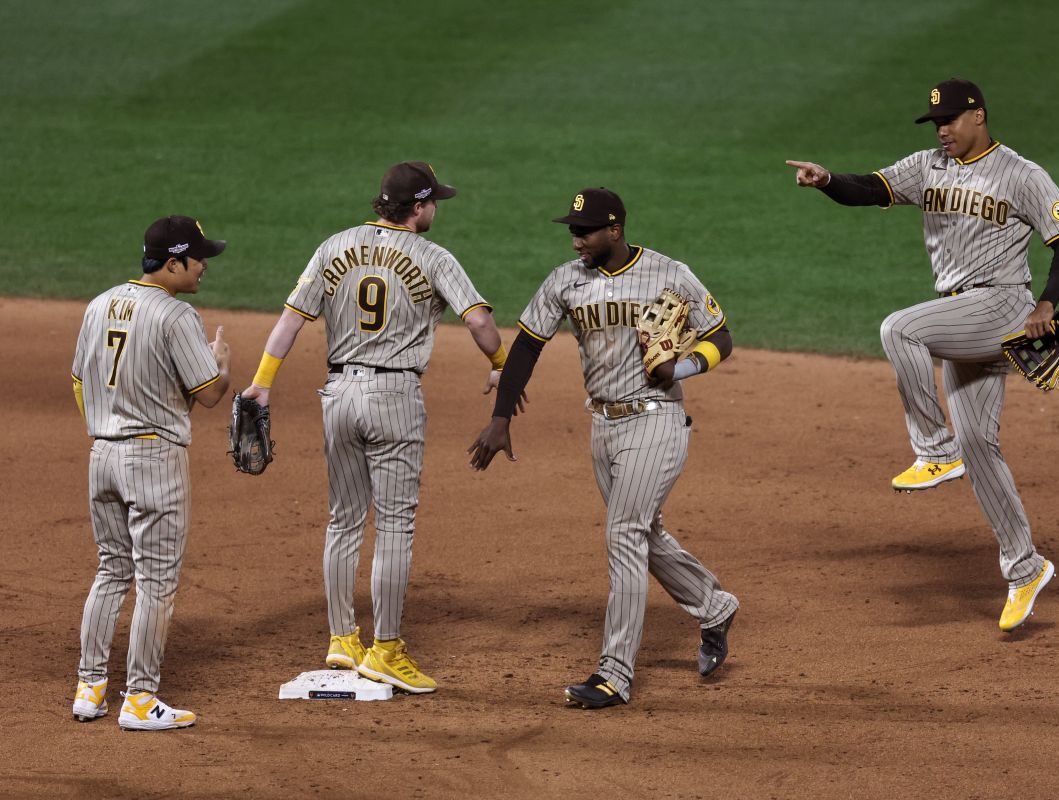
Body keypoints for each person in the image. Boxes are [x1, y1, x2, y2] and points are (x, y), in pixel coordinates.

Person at [787, 77, 1059, 631]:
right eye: (936, 124)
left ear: (980, 116)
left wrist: (1047, 302)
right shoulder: (930, 166)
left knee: (900, 329)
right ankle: (1026, 568)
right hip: (962, 317)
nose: (943, 131)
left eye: (950, 120)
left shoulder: (1022, 174)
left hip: (1002, 306)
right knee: (981, 445)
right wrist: (827, 179)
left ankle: (933, 447)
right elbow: (871, 188)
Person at [241, 161, 511, 694]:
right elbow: (478, 321)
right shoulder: (434, 256)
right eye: (435, 202)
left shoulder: (334, 245)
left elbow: (291, 320)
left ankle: (343, 638)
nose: (437, 210)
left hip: (337, 394)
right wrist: (502, 361)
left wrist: (262, 382)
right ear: (417, 207)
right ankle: (386, 649)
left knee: (343, 519)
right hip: (393, 396)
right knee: (394, 526)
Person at [469, 187, 740, 708]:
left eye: (584, 231)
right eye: (571, 230)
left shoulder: (669, 273)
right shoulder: (565, 282)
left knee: (623, 534)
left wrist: (678, 368)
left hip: (656, 419)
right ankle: (714, 606)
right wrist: (500, 418)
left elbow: (721, 335)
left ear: (614, 229)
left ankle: (614, 674)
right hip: (603, 426)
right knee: (643, 531)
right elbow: (527, 345)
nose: (575, 241)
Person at [70, 215, 232, 730]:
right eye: (198, 257)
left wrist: (109, 423)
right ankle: (140, 698)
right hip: (153, 460)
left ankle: (90, 686)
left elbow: (79, 382)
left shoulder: (100, 304)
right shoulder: (177, 315)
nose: (205, 266)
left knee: (111, 570)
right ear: (173, 262)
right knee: (156, 580)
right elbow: (208, 395)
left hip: (103, 456)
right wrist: (221, 362)